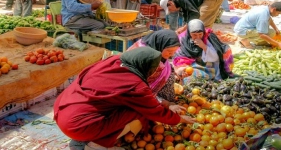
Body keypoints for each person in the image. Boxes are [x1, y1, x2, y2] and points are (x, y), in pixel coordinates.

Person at [54, 47, 196, 149]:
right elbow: (155, 111)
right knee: (139, 112)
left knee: (122, 106)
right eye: (153, 70)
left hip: (63, 109)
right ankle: (96, 145)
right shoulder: (136, 85)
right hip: (77, 125)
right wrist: (180, 119)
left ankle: (90, 137)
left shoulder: (114, 61)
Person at [127, 30, 183, 104]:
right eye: (169, 51)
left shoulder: (159, 54)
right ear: (160, 45)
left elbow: (166, 67)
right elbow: (140, 90)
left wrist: (176, 72)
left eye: (174, 52)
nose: (172, 54)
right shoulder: (144, 58)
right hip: (143, 101)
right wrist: (166, 103)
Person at [173, 19, 234, 83]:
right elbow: (179, 58)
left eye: (200, 34)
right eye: (194, 35)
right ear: (189, 32)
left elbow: (216, 57)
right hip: (191, 66)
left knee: (205, 78)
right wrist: (184, 67)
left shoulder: (209, 37)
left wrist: (204, 47)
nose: (198, 37)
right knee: (187, 79)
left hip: (208, 66)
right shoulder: (182, 39)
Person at [161, 0, 226, 31]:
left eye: (170, 9)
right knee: (203, 21)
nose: (172, 11)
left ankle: (203, 42)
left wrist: (184, 28)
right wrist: (184, 27)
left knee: (201, 21)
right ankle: (204, 39)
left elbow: (194, 13)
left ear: (170, 3)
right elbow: (187, 14)